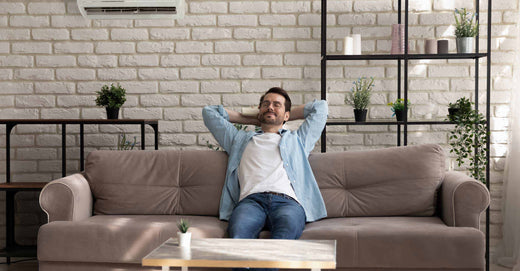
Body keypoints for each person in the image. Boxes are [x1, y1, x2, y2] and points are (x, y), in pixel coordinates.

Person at [202, 87, 328, 244]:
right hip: (251, 202)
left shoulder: (298, 140)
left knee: (283, 240)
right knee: (238, 239)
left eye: (277, 104)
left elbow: (320, 108)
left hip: (287, 203)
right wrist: (254, 118)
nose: (270, 107)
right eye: (266, 104)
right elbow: (209, 112)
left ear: (287, 114)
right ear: (258, 110)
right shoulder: (238, 140)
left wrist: (280, 117)